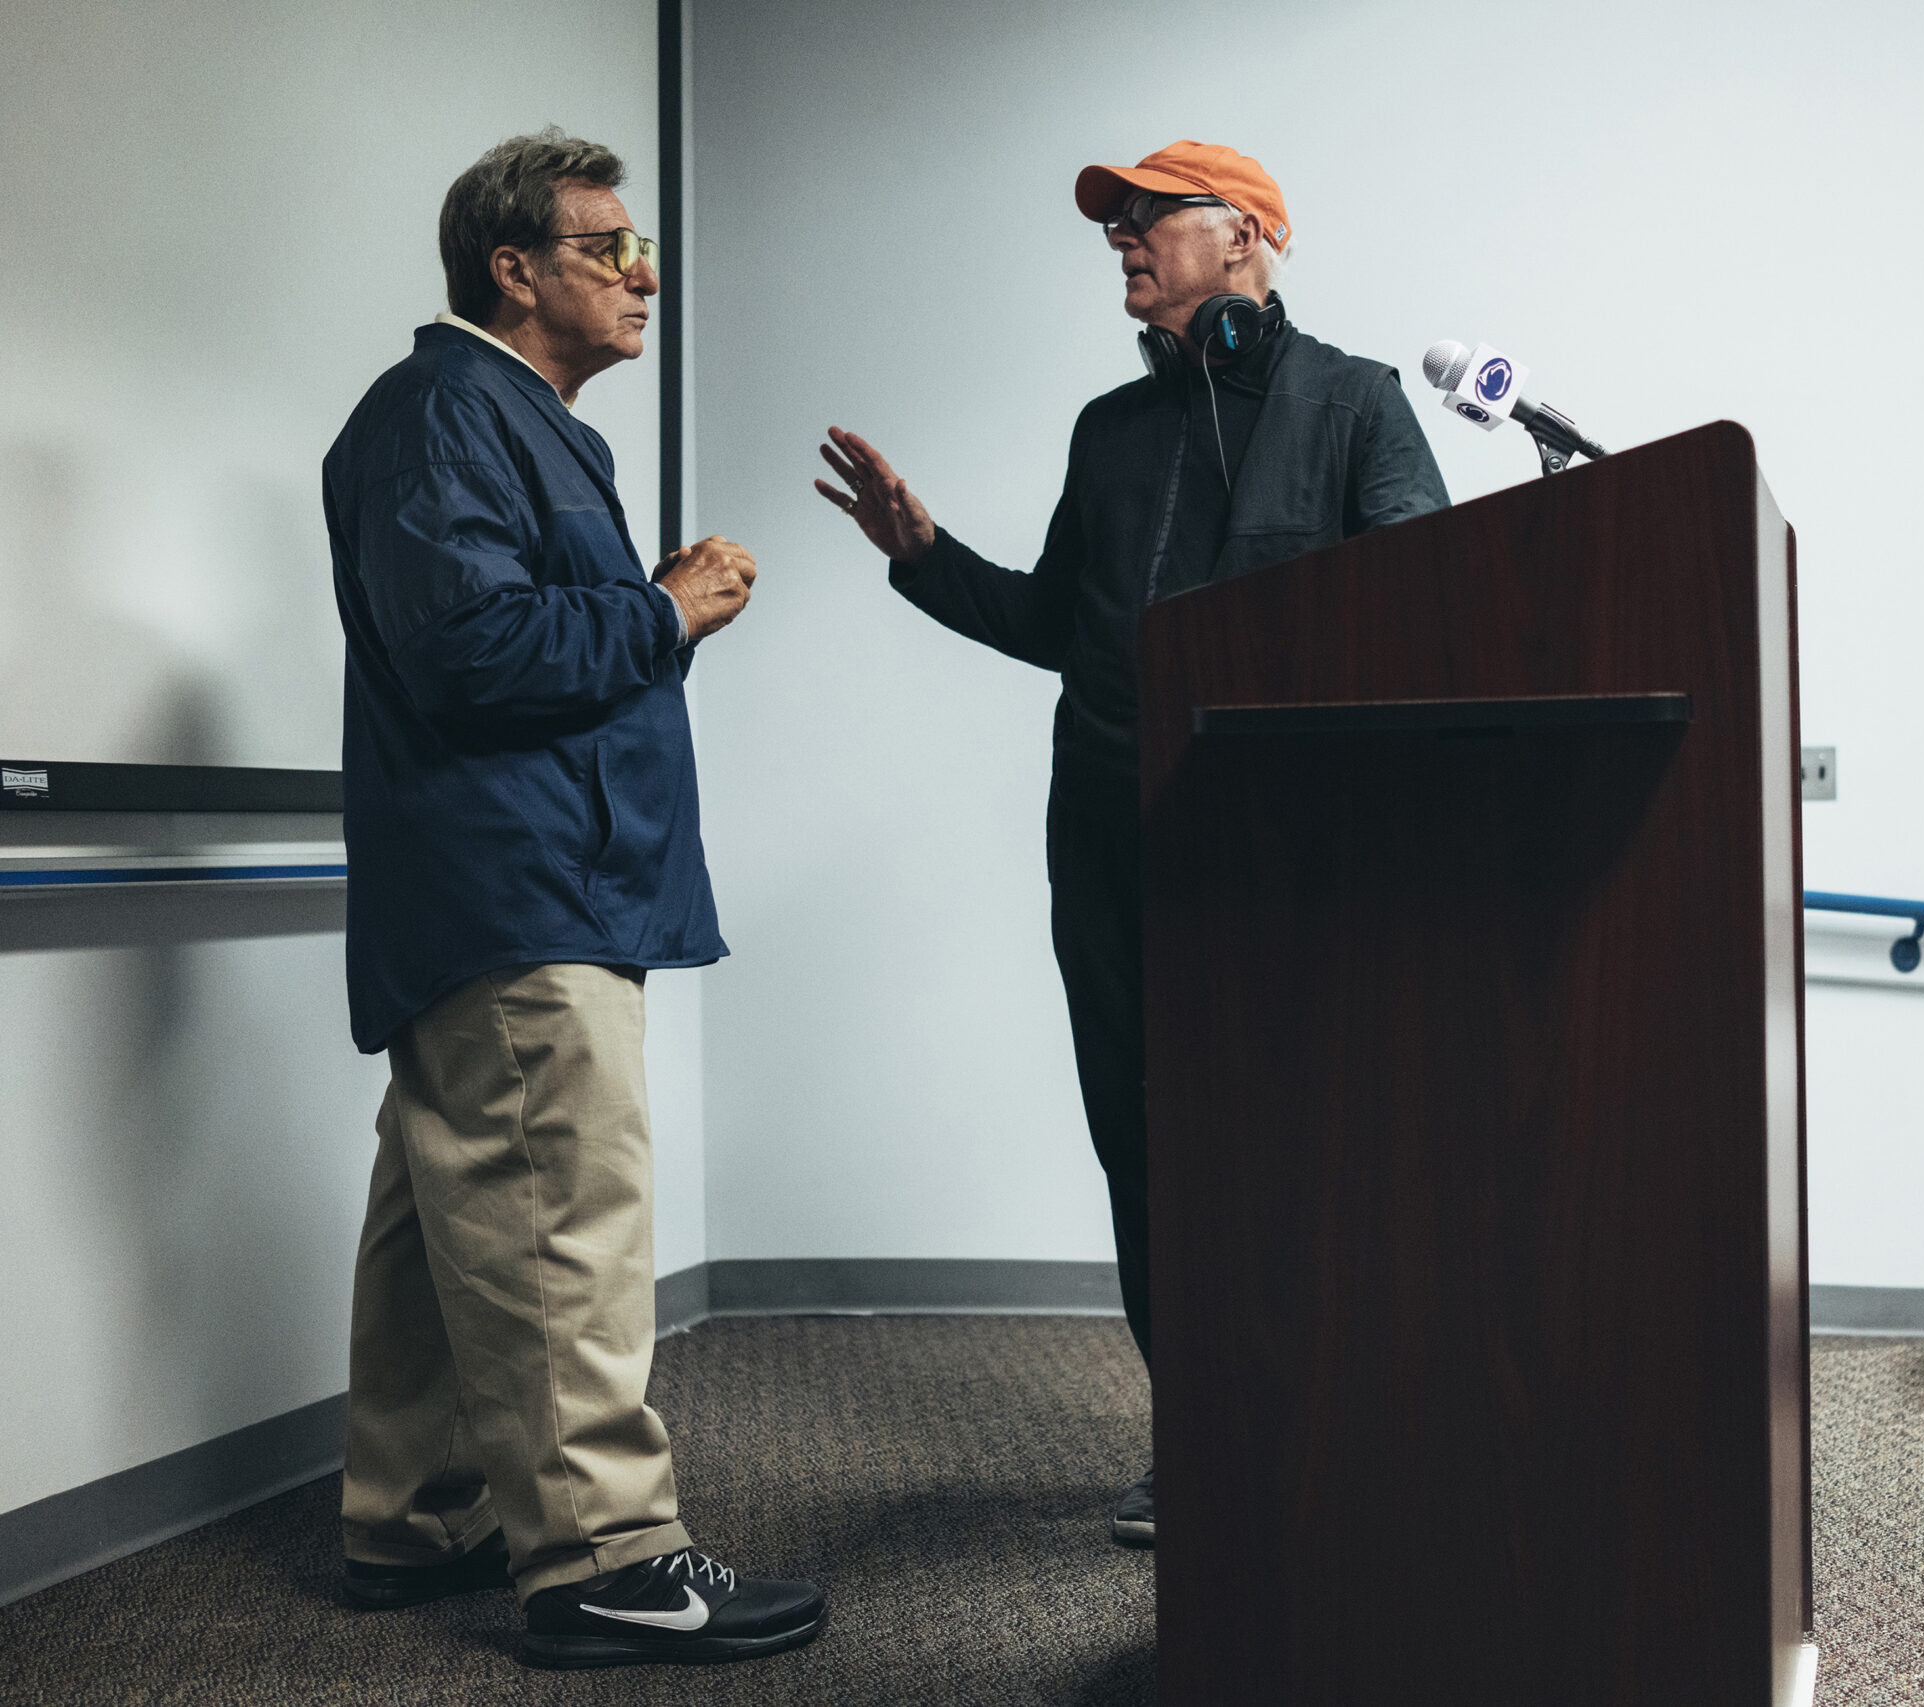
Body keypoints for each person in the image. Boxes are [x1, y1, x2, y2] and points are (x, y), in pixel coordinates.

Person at [811, 140, 1451, 1547]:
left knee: (1289, 1134)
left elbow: (1421, 596)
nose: (1127, 237)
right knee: (1144, 1134)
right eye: (1120, 221)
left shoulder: (1356, 405)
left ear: (1252, 238)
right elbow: (1056, 622)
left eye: (1157, 216)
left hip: (1283, 848)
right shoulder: (1109, 430)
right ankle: (1202, 1425)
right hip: (1106, 830)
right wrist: (926, 554)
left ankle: (1327, 1414)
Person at [324, 128, 825, 1669]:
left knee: (454, 1201)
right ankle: (607, 1555)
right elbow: (470, 655)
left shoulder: (503, 416)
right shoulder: (441, 411)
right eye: (609, 246)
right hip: (519, 883)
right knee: (560, 1221)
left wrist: (633, 604)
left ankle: (417, 1510)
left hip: (519, 876)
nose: (643, 273)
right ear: (514, 267)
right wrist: (663, 610)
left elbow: (515, 619)